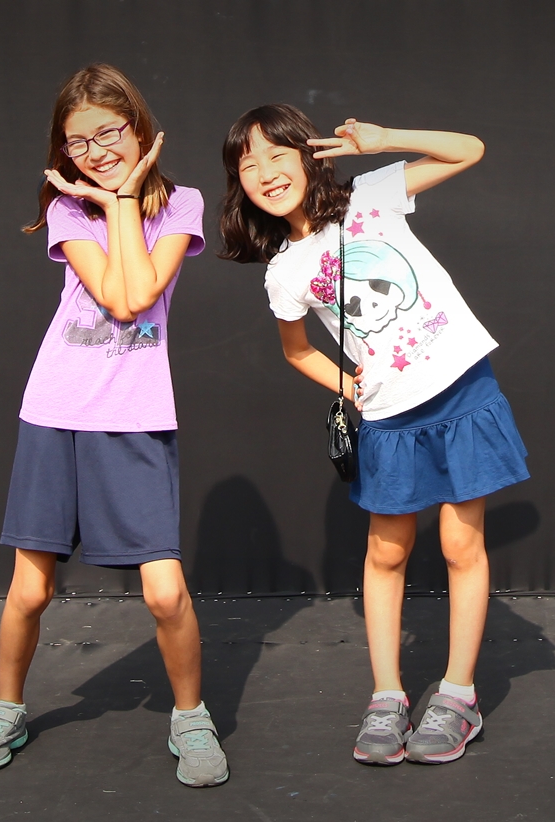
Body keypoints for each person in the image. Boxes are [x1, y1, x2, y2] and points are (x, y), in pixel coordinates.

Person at [219, 104, 529, 766]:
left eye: (277, 153)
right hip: (390, 413)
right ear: (238, 184)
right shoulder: (284, 271)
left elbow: (468, 147)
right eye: (248, 164)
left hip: (460, 388)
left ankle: (458, 697)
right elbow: (296, 350)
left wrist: (384, 141)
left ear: (309, 155)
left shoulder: (370, 196)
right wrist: (352, 386)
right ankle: (387, 698)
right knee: (386, 553)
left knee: (460, 544)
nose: (266, 172)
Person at [0, 63, 228, 788]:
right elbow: (114, 295)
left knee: (164, 593)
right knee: (30, 591)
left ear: (140, 129)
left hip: (134, 415)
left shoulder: (182, 204)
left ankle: (191, 717)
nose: (97, 152)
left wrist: (124, 199)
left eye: (109, 133)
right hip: (55, 409)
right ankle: (5, 708)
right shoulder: (67, 210)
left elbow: (137, 294)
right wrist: (104, 203)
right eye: (78, 142)